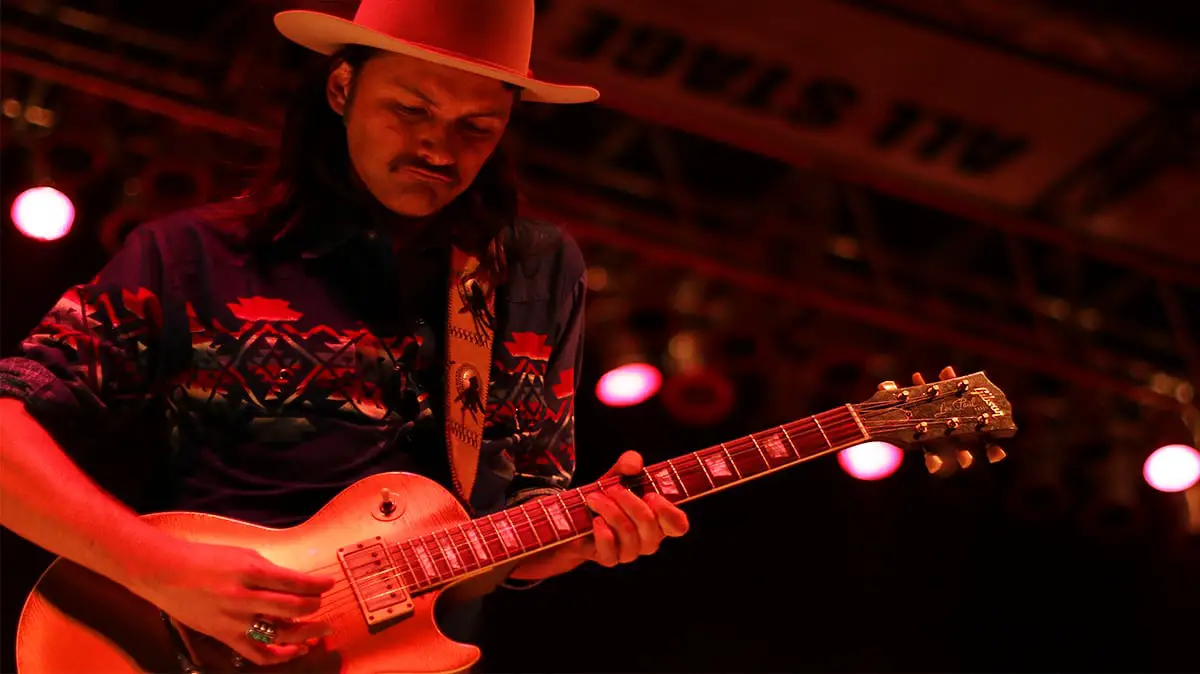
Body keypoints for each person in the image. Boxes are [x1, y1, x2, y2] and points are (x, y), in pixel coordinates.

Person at [0, 0, 690, 667]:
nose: (439, 147)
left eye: (477, 127)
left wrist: (576, 537)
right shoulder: (191, 255)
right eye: (411, 109)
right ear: (341, 88)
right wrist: (159, 568)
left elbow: (523, 503)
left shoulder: (536, 271)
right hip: (183, 648)